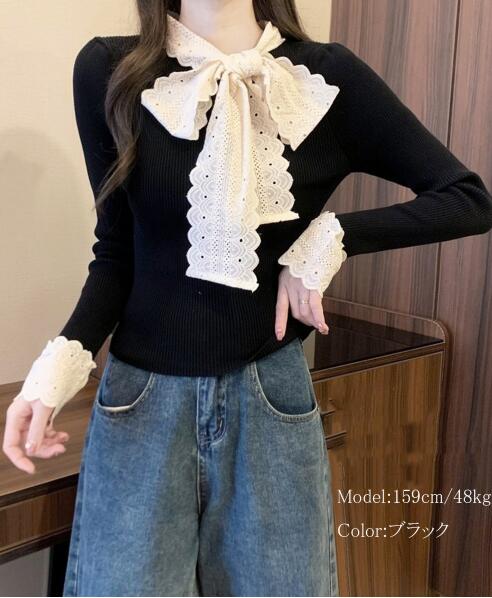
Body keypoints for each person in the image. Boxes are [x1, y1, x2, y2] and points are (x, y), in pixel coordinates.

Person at [3, 0, 492, 596]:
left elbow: (466, 198)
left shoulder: (323, 77)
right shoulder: (110, 70)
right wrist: (51, 377)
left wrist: (330, 238)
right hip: (141, 404)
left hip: (270, 403)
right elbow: (116, 252)